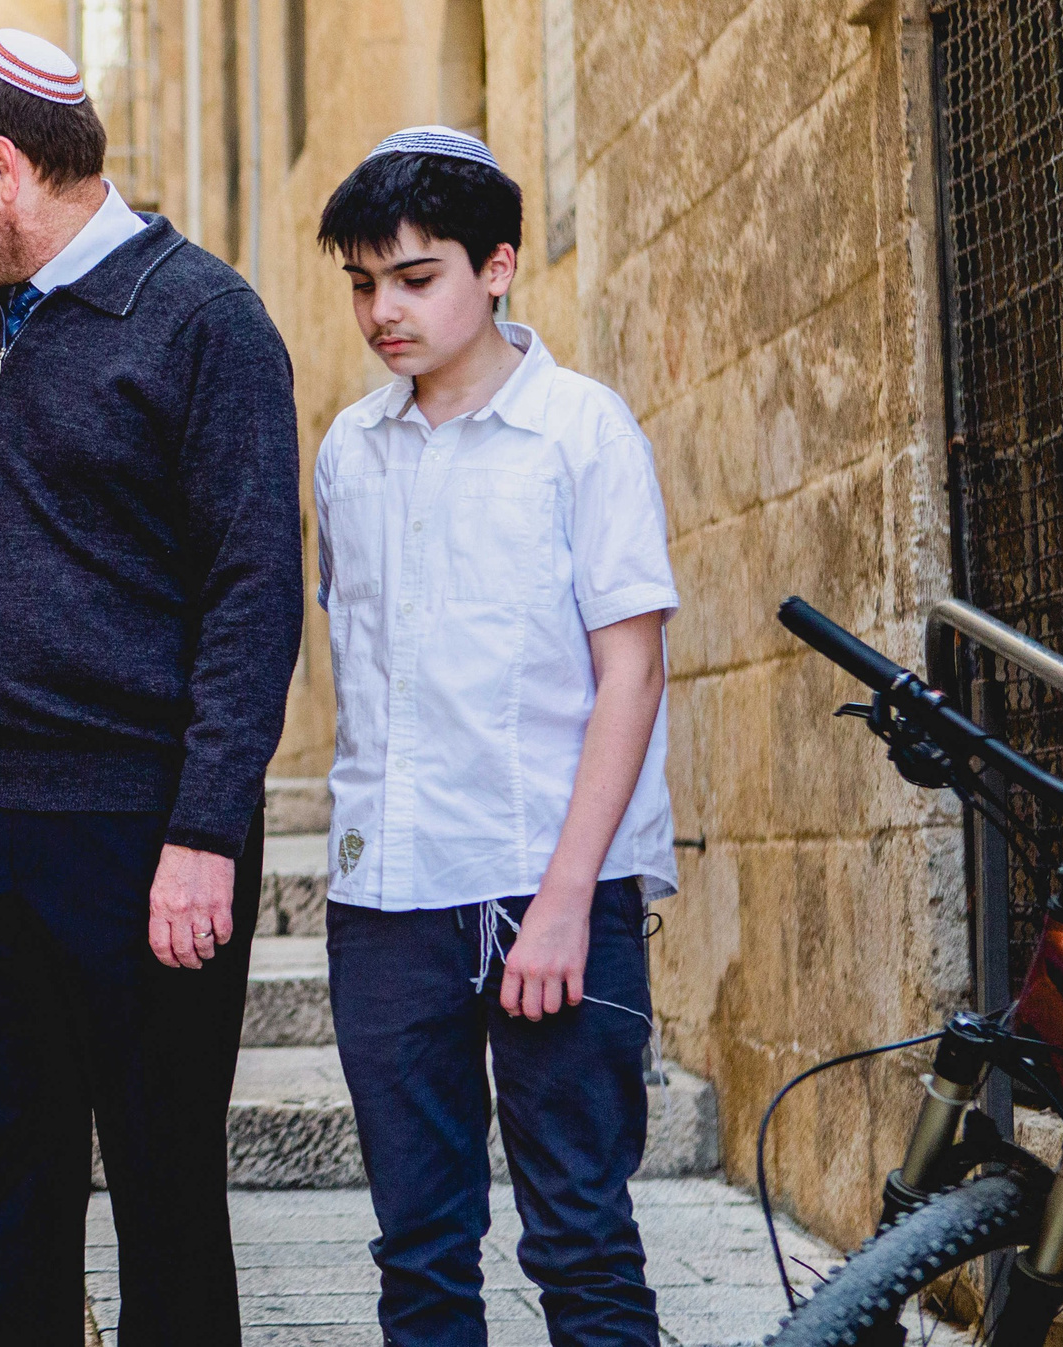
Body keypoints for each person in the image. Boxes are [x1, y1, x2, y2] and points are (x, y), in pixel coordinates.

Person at [0, 30, 304, 1345]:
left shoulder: (206, 319)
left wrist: (203, 827)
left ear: (2, 165)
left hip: (139, 833)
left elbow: (255, 591)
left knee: (166, 1196)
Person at [311, 126, 678, 1347]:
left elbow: (629, 671)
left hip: (548, 882)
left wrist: (567, 899)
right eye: (364, 284)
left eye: (415, 279)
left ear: (498, 266)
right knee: (418, 1251)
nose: (383, 312)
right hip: (389, 897)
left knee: (579, 1238)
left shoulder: (582, 432)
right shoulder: (347, 456)